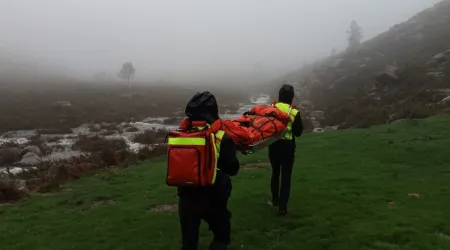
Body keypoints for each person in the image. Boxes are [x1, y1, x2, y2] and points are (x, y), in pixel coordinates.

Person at [177, 91, 240, 250]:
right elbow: (233, 170)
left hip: (186, 200)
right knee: (221, 238)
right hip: (214, 199)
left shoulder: (180, 135)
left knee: (189, 245)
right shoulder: (222, 137)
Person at [269, 84, 304, 216]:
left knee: (275, 172)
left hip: (273, 144)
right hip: (288, 146)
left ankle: (274, 199)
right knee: (286, 175)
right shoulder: (294, 112)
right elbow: (298, 132)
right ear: (291, 97)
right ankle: (283, 207)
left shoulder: (271, 108)